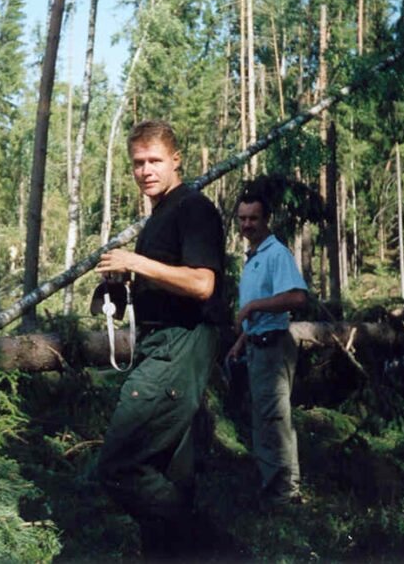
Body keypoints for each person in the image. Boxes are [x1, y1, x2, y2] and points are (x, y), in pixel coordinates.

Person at [94, 120, 226, 557]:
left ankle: (212, 546)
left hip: (180, 345)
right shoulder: (159, 218)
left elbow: (203, 284)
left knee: (118, 465)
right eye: (138, 163)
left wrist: (138, 262)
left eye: (154, 161)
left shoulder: (194, 209)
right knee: (172, 472)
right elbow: (167, 281)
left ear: (176, 160)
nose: (146, 170)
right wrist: (125, 280)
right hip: (162, 343)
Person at [226, 187, 307, 505]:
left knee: (274, 420)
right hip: (257, 345)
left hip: (274, 348)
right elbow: (260, 315)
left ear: (266, 219)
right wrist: (241, 340)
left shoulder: (276, 254)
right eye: (242, 218)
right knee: (264, 419)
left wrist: (252, 307)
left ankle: (287, 494)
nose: (247, 225)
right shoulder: (255, 256)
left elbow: (297, 297)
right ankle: (271, 487)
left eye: (253, 218)